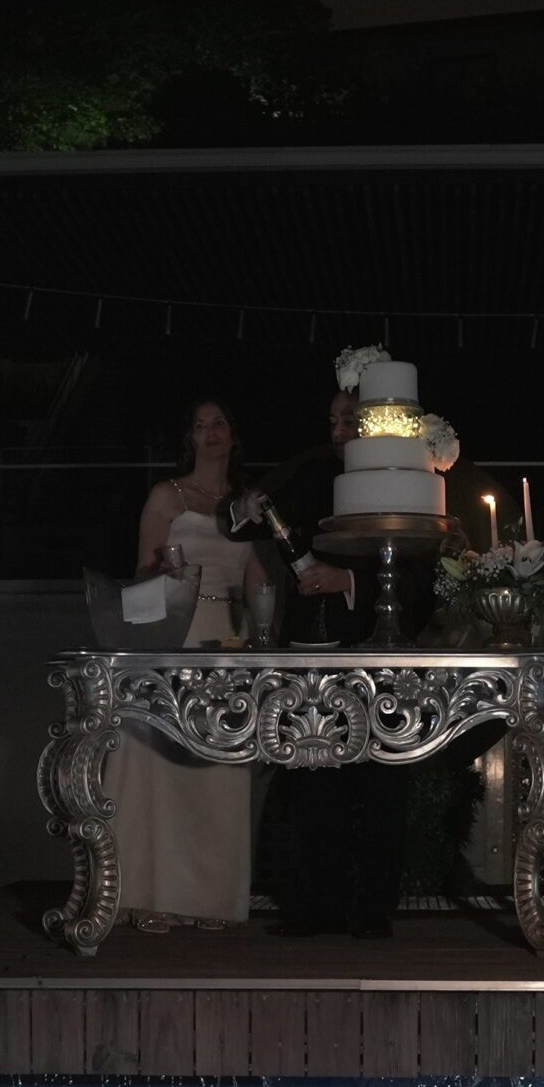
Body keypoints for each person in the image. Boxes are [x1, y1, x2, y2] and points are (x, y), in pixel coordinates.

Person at [228, 387, 413, 937]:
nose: (337, 431)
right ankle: (314, 907)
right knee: (311, 780)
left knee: (379, 784)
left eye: (348, 420)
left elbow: (420, 573)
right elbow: (251, 516)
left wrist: (347, 581)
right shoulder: (312, 473)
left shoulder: (399, 480)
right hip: (310, 651)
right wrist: (245, 506)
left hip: (378, 652)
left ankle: (372, 911)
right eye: (332, 420)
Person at [105, 398, 262, 932]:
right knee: (165, 769)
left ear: (233, 434)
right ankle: (152, 894)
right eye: (199, 425)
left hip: (230, 639)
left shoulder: (246, 503)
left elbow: (257, 579)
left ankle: (212, 899)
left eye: (219, 423)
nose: (210, 432)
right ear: (189, 438)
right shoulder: (166, 495)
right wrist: (168, 578)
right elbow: (142, 573)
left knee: (220, 771)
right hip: (179, 631)